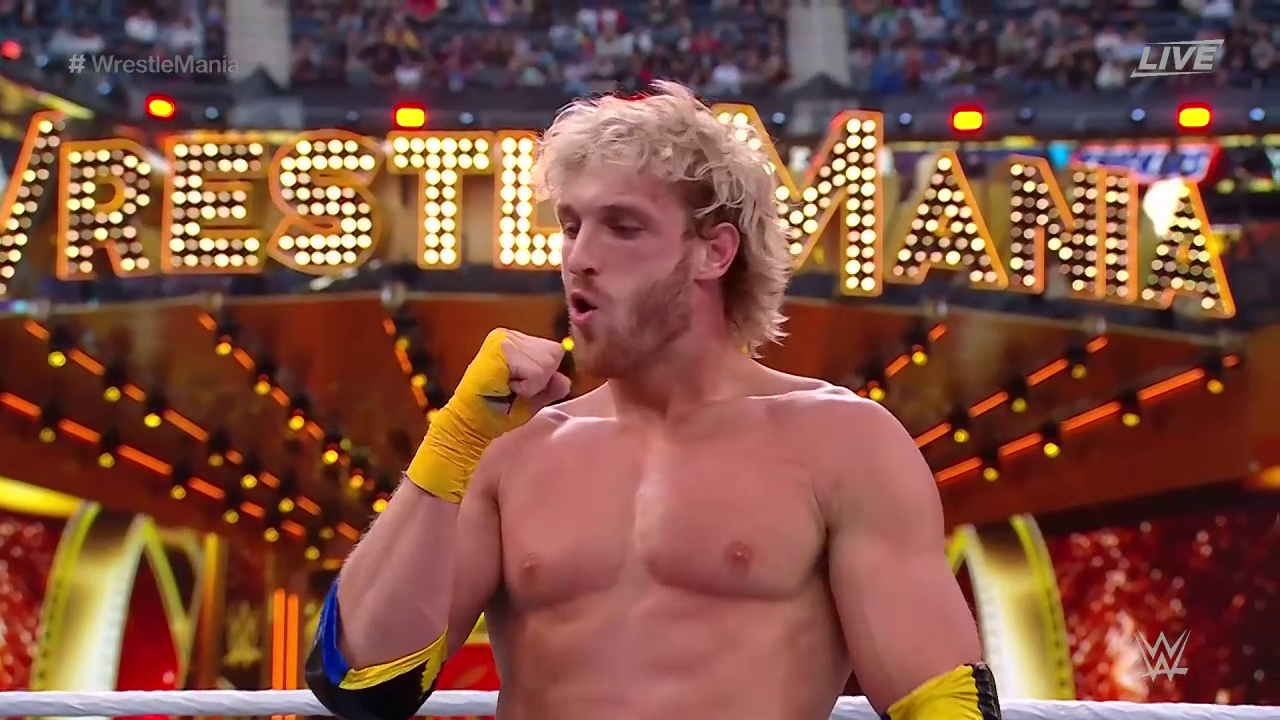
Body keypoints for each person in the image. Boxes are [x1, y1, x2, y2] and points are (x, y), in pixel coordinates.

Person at [305, 80, 998, 720]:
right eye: (571, 225)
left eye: (623, 226)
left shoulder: (842, 444)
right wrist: (452, 442)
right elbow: (363, 682)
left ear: (713, 252)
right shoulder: (512, 450)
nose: (579, 256)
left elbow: (941, 705)